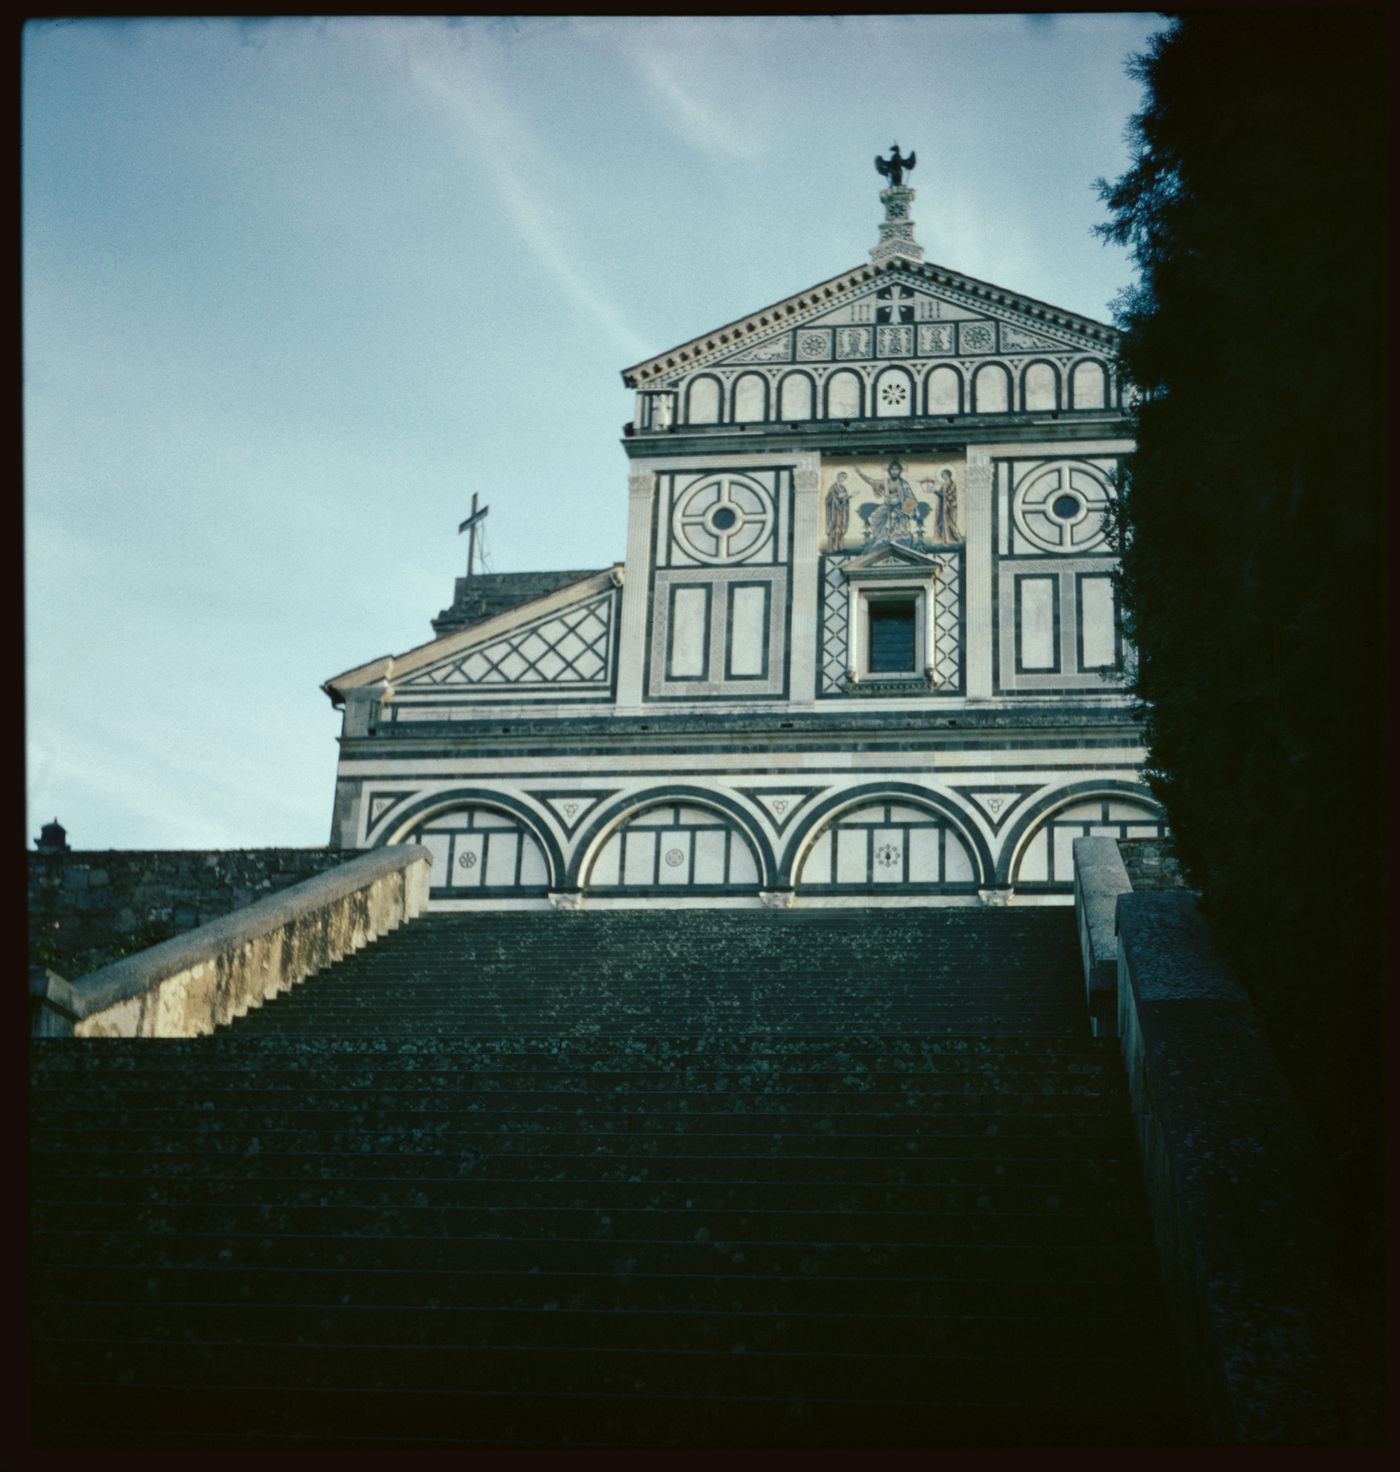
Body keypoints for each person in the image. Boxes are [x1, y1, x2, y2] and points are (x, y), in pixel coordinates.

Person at [825, 471, 851, 551]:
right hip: (834, 510)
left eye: (844, 478)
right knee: (835, 527)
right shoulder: (833, 488)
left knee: (841, 527)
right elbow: (828, 499)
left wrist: (848, 497)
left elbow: (845, 499)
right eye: (841, 477)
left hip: (842, 510)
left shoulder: (843, 488)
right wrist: (837, 497)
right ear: (838, 477)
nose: (842, 479)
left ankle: (840, 546)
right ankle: (833, 546)